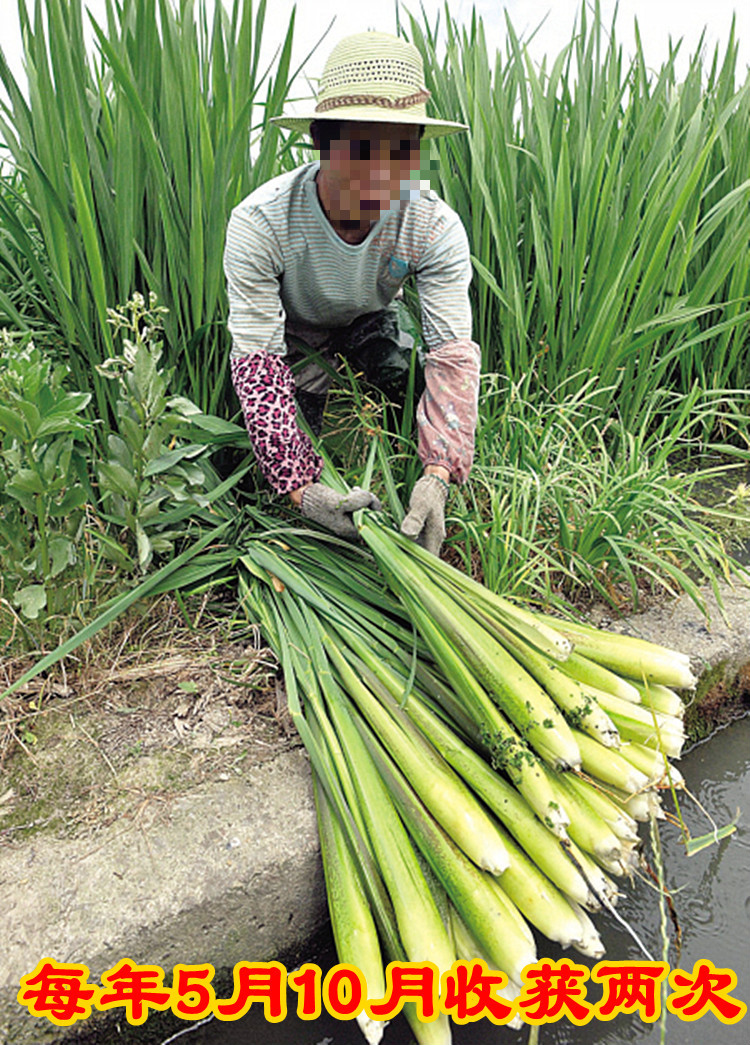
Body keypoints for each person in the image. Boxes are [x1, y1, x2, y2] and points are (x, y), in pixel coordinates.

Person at [224, 30, 481, 554]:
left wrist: (439, 472)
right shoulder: (261, 222)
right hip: (295, 334)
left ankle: (412, 477)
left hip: (370, 320)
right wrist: (300, 490)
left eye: (402, 150)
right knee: (276, 456)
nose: (382, 174)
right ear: (320, 140)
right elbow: (257, 359)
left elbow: (451, 354)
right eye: (362, 149)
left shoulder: (432, 225)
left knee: (409, 381)